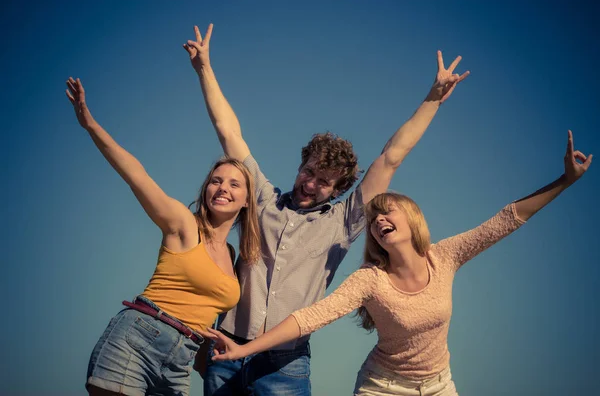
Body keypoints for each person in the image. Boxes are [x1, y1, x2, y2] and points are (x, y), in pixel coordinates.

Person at [183, 24, 469, 395]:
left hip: (286, 364)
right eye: (309, 171)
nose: (310, 183)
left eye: (323, 181)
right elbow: (228, 131)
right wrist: (204, 68)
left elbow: (391, 157)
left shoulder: (342, 221)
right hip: (226, 348)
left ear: (338, 190)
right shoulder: (263, 199)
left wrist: (433, 98)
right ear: (301, 165)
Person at [207, 130, 592, 395]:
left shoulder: (445, 256)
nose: (379, 220)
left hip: (439, 384)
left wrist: (565, 182)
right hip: (382, 386)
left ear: (413, 219)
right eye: (374, 220)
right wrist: (243, 350)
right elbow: (314, 316)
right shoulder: (370, 279)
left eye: (388, 212)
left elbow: (504, 221)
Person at [65, 77, 261, 395]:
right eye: (216, 180)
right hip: (138, 339)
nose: (222, 187)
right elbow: (136, 175)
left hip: (178, 364)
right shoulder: (183, 225)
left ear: (246, 201)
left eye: (234, 184)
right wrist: (90, 124)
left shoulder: (232, 255)